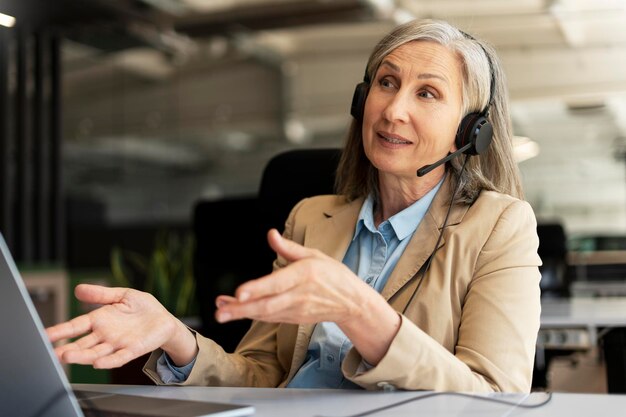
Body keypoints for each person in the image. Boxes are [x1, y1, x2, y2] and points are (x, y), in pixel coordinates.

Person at [47, 19, 541, 392]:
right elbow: (264, 377)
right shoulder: (312, 218)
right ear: (361, 99)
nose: (394, 110)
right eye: (386, 83)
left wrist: (359, 312)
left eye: (427, 93)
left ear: (470, 131)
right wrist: (174, 336)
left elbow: (494, 400)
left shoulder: (499, 225)